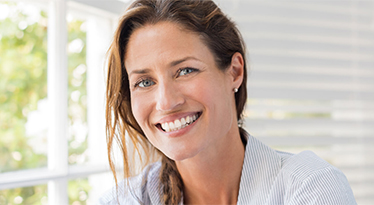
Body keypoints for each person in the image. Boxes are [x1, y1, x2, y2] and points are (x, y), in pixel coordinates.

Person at [99, 0, 357, 204]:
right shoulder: (123, 201)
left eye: (186, 70)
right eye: (145, 82)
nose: (166, 102)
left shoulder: (312, 187)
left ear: (234, 72)